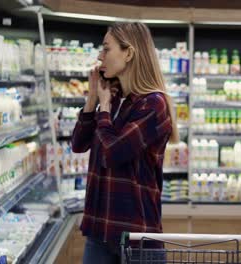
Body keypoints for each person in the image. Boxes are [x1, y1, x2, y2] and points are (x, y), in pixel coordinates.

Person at [71, 22, 179, 264]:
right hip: (99, 231)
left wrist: (105, 107)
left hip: (137, 238)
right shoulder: (115, 97)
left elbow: (111, 152)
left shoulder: (153, 104)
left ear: (128, 53)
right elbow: (78, 144)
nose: (100, 56)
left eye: (106, 49)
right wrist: (91, 102)